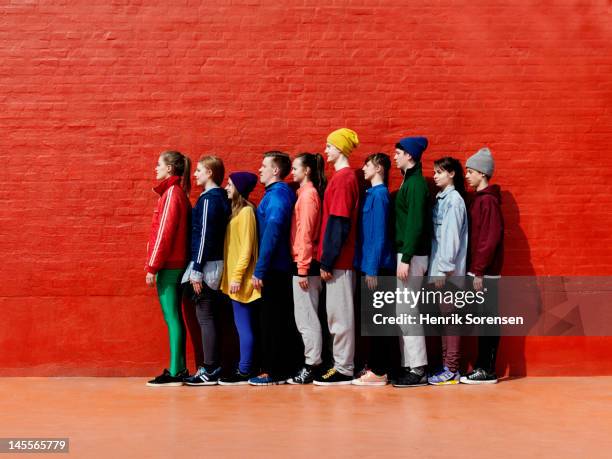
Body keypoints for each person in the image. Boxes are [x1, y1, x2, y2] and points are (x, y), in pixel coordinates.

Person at [313, 128, 361, 386]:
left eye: (329, 145)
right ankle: (340, 364)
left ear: (340, 149)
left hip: (339, 261)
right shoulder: (341, 178)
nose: (326, 150)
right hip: (337, 260)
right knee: (335, 315)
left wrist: (328, 260)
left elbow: (339, 223)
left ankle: (344, 367)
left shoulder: (344, 179)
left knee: (340, 316)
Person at [249, 152, 298, 386]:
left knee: (272, 321)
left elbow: (273, 230)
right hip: (278, 267)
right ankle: (282, 368)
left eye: (264, 165)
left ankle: (274, 371)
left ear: (275, 171)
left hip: (275, 268)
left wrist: (260, 269)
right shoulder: (277, 194)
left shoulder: (277, 196)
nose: (260, 169)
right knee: (280, 319)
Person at [183, 156, 231, 386]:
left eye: (200, 170)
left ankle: (210, 368)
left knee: (206, 316)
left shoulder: (210, 200)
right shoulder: (218, 198)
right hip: (214, 263)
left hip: (208, 266)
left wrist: (197, 270)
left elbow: (204, 237)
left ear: (210, 172)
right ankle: (212, 366)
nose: (195, 174)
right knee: (210, 316)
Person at [145, 150, 192, 387]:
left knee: (172, 317)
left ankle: (176, 371)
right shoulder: (176, 193)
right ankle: (178, 367)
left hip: (169, 266)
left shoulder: (172, 194)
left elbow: (164, 233)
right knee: (174, 317)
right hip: (174, 264)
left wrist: (152, 266)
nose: (156, 168)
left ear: (170, 169)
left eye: (159, 164)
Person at [460, 147, 504, 384]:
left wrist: (478, 271)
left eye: (470, 171)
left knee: (488, 320)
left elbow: (489, 239)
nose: (467, 175)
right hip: (480, 271)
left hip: (485, 274)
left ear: (482, 173)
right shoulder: (479, 200)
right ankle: (482, 367)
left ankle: (486, 370)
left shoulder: (488, 202)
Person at [352, 153, 396, 386]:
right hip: (369, 265)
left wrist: (371, 269)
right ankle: (376, 367)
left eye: (367, 165)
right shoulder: (372, 194)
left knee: (379, 321)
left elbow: (378, 236)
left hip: (377, 268)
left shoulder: (380, 197)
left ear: (378, 168)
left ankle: (379, 372)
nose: (363, 168)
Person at [392, 136, 431, 388]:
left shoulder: (416, 184)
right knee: (402, 312)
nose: (394, 156)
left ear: (410, 156)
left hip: (412, 255)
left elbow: (416, 224)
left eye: (398, 153)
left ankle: (418, 369)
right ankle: (410, 365)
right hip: (408, 254)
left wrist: (406, 258)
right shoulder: (410, 181)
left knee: (408, 312)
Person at [426, 157, 468, 385]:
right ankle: (447, 367)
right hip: (441, 271)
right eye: (434, 172)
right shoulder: (442, 199)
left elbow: (451, 239)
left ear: (452, 174)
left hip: (448, 273)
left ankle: (452, 369)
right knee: (445, 319)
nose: (435, 176)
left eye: (439, 172)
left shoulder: (454, 201)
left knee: (451, 319)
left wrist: (443, 270)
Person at [217, 172, 261, 385]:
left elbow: (247, 248)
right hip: (235, 278)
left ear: (239, 189)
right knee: (241, 324)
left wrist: (236, 277)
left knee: (243, 325)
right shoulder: (236, 212)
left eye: (230, 184)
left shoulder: (246, 213)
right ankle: (245, 367)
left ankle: (244, 370)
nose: (226, 187)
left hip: (241, 280)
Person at [287, 153, 326, 385]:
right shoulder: (303, 195)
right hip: (304, 263)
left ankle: (312, 365)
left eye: (295, 168)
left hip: (306, 265)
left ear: (307, 170)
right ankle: (312, 362)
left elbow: (306, 233)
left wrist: (302, 267)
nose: (292, 172)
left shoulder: (309, 196)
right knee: (304, 318)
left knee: (307, 319)